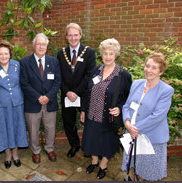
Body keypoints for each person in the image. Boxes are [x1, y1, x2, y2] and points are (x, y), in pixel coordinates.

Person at [80, 38, 132, 179]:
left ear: (116, 55)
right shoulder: (96, 70)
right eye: (105, 53)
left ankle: (103, 165)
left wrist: (120, 108)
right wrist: (83, 110)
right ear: (101, 55)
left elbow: (129, 98)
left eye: (111, 54)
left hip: (108, 118)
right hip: (92, 115)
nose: (107, 57)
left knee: (107, 143)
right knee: (92, 140)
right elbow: (87, 92)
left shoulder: (123, 75)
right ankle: (94, 161)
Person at [121, 52, 174, 181]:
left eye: (154, 68)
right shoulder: (136, 83)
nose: (149, 70)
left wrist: (134, 128)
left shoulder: (166, 90)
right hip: (132, 135)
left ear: (160, 72)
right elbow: (127, 106)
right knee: (134, 169)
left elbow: (157, 116)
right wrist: (127, 122)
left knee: (149, 174)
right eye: (147, 66)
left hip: (152, 139)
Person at [0, 41, 28, 169]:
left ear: (10, 54)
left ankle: (15, 154)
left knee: (17, 128)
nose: (4, 56)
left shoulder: (17, 65)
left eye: (6, 54)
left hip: (17, 103)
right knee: (4, 130)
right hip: (0, 106)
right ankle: (7, 155)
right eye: (1, 54)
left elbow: (22, 83)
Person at [20, 33, 61, 164]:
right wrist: (38, 97)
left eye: (44, 44)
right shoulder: (25, 62)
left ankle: (49, 148)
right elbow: (24, 83)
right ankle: (36, 151)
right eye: (38, 44)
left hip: (50, 102)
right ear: (33, 46)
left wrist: (48, 97)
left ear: (47, 46)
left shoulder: (54, 62)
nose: (41, 46)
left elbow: (57, 82)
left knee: (50, 128)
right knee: (33, 129)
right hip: (33, 102)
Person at [57, 23, 96, 158]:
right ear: (66, 37)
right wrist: (67, 92)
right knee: (69, 122)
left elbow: (90, 75)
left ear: (80, 35)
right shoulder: (61, 53)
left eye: (76, 35)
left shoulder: (89, 52)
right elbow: (58, 76)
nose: (73, 38)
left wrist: (77, 92)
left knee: (88, 122)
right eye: (70, 35)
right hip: (66, 95)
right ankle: (74, 145)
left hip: (83, 95)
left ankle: (88, 145)